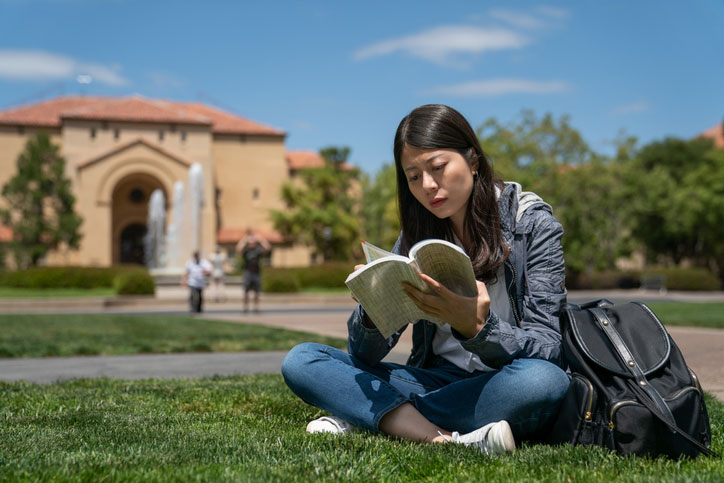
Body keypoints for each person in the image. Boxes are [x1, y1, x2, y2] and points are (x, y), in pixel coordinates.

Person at [281, 104, 570, 455]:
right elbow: (364, 356)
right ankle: (444, 438)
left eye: (437, 167)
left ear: (473, 160)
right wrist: (373, 310)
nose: (428, 186)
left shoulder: (533, 225)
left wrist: (478, 330)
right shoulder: (416, 234)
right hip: (437, 379)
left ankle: (369, 416)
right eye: (413, 176)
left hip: (502, 381)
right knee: (302, 359)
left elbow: (549, 347)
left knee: (543, 381)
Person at [236, 229, 271, 313]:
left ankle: (256, 308)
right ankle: (245, 308)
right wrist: (245, 239)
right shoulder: (246, 251)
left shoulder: (258, 250)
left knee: (256, 292)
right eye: (250, 241)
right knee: (246, 291)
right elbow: (238, 248)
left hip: (256, 272)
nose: (252, 242)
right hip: (247, 272)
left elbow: (268, 248)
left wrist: (261, 239)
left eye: (253, 241)